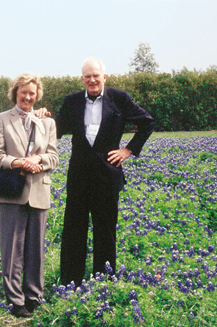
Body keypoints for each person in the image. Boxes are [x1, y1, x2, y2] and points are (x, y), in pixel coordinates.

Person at [53, 58, 155, 286]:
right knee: (73, 230)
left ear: (104, 77)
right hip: (79, 176)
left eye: (96, 75)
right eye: (87, 76)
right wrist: (42, 118)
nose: (92, 80)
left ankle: (103, 283)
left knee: (105, 231)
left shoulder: (119, 99)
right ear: (82, 79)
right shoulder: (72, 102)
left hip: (107, 175)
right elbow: (56, 129)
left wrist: (128, 150)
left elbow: (147, 122)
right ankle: (71, 282)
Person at [0, 73, 59, 317]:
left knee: (36, 248)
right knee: (12, 249)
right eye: (23, 93)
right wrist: (19, 162)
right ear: (15, 94)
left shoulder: (47, 123)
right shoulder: (2, 120)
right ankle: (16, 300)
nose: (28, 97)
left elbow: (54, 157)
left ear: (37, 95)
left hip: (39, 190)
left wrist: (38, 159)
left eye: (32, 93)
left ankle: (34, 295)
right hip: (11, 190)